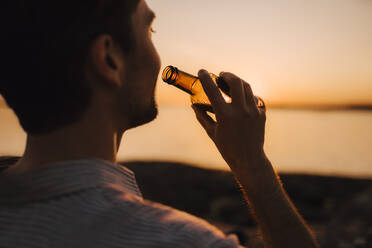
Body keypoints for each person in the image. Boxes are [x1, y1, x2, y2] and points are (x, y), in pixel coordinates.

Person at [0, 1, 319, 247]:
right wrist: (253, 167)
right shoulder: (180, 240)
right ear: (109, 59)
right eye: (149, 31)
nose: (157, 57)